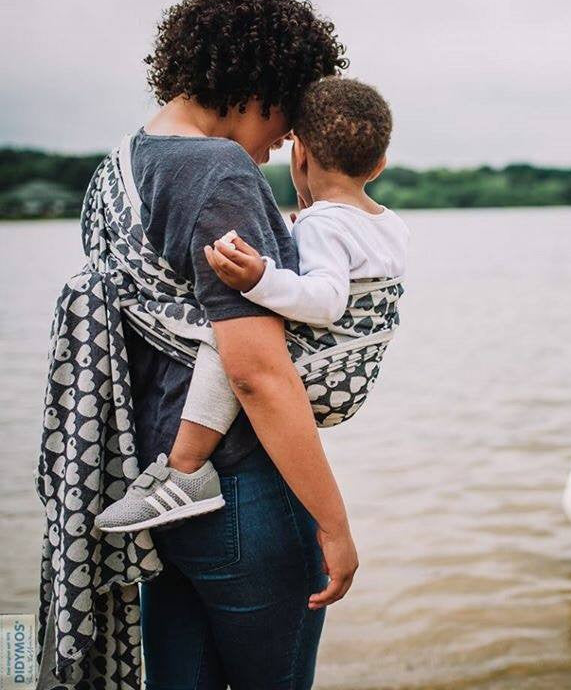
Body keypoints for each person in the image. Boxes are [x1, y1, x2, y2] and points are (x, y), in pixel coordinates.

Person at [117, 0, 356, 689]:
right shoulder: (215, 169)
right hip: (245, 490)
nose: (288, 136)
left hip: (161, 486)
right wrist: (334, 524)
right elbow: (254, 371)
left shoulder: (125, 163)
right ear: (258, 80)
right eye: (287, 109)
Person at [96, 77, 409, 534]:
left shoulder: (324, 223)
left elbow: (325, 303)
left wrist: (261, 279)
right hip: (349, 379)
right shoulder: (389, 223)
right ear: (379, 166)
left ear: (299, 154)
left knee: (221, 335)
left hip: (316, 368)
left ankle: (186, 469)